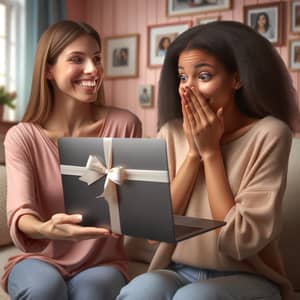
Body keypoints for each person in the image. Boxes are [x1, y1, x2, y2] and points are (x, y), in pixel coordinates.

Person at [117, 21, 299, 300]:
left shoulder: (270, 134)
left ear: (237, 79)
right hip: (178, 269)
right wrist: (193, 153)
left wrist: (211, 153)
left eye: (203, 76)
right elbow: (155, 231)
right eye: (182, 78)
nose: (188, 89)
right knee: (138, 291)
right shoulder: (172, 133)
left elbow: (238, 240)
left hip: (249, 275)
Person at [1, 20, 142, 300]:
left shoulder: (124, 125)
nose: (93, 69)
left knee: (91, 293)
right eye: (77, 59)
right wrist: (45, 228)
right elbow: (21, 212)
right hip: (40, 259)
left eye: (97, 58)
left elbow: (136, 204)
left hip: (102, 263)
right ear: (49, 70)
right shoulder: (22, 137)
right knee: (44, 289)